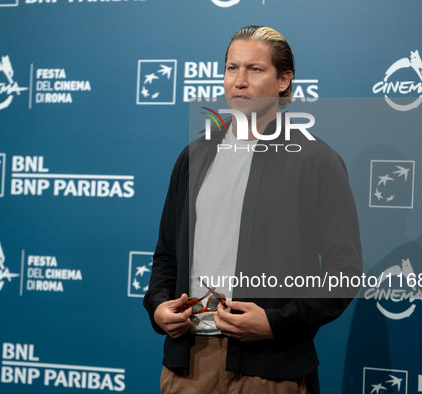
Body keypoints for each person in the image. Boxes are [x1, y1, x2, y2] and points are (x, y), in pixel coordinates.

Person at [143, 25, 362, 394]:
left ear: (284, 80)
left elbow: (345, 271)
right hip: (188, 365)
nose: (239, 81)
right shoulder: (194, 156)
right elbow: (166, 255)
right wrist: (159, 306)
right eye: (232, 68)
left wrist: (277, 322)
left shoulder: (316, 161)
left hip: (271, 370)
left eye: (254, 70)